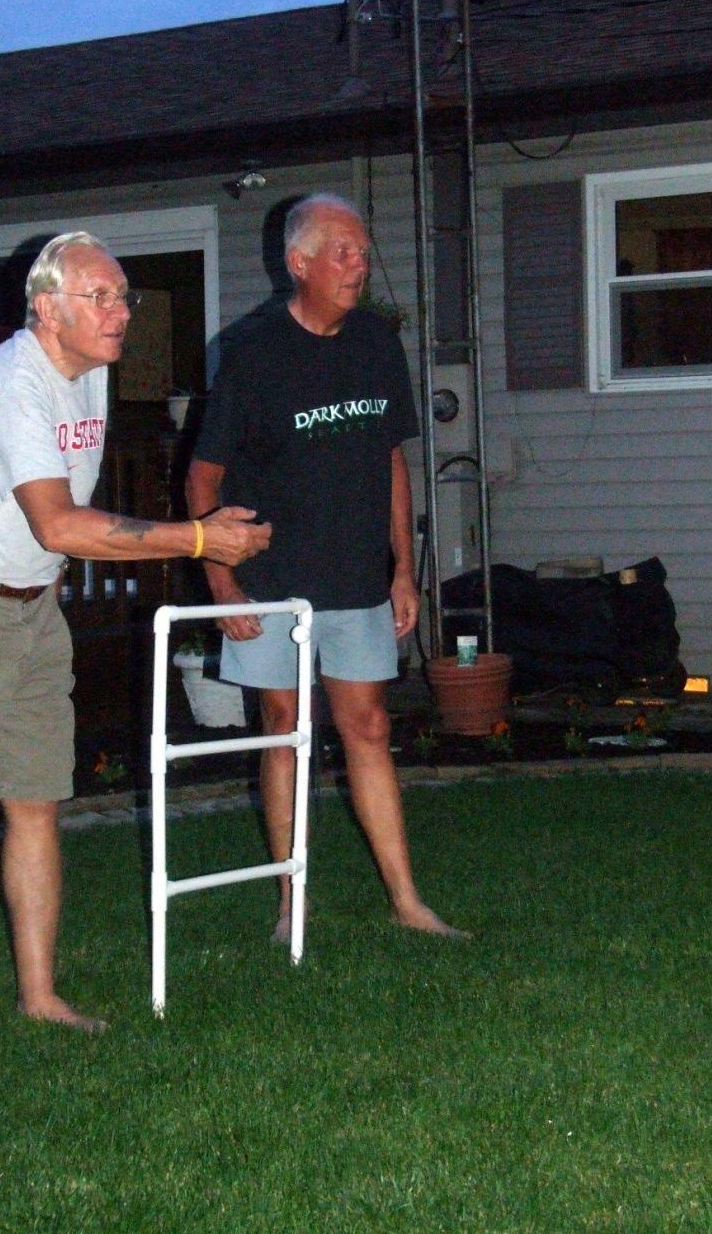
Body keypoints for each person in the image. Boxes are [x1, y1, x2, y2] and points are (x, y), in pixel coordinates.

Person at [0, 232, 270, 1053]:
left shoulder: (89, 371)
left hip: (30, 609)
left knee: (36, 800)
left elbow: (58, 519)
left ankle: (41, 995)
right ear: (48, 310)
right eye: (102, 298)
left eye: (124, 297)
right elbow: (59, 522)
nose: (121, 313)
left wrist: (46, 582)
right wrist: (198, 539)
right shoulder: (11, 382)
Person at [186, 194, 466, 944]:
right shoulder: (250, 350)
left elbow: (391, 458)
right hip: (269, 578)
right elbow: (204, 476)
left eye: (363, 252)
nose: (358, 265)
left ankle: (407, 900)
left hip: (355, 574)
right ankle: (290, 903)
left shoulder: (376, 342)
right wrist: (221, 582)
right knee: (283, 727)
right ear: (298, 263)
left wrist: (402, 568)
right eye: (341, 252)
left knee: (367, 726)